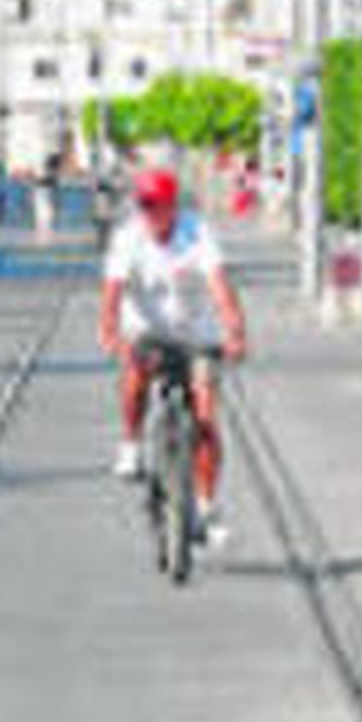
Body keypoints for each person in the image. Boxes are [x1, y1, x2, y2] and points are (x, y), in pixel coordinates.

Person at [98, 162, 248, 542]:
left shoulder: (197, 233)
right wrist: (110, 331)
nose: (149, 213)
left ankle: (206, 505)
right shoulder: (128, 237)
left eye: (156, 204)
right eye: (143, 205)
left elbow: (219, 286)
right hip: (147, 330)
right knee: (135, 371)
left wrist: (234, 331)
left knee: (206, 417)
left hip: (197, 332)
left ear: (173, 205)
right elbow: (113, 290)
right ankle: (131, 442)